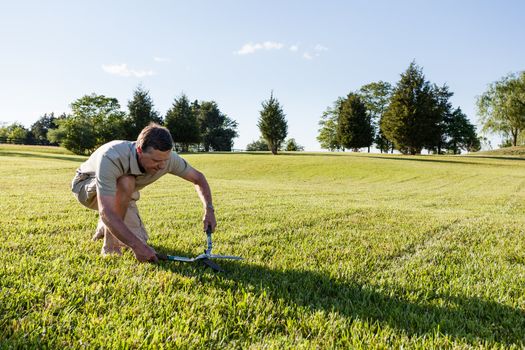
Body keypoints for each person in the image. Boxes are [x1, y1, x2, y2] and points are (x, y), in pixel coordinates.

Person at [71, 123, 216, 262]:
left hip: (121, 194)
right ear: (139, 150)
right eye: (155, 160)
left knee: (140, 240)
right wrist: (136, 246)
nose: (162, 166)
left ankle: (105, 227)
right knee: (126, 181)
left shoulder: (167, 158)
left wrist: (209, 209)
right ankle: (110, 246)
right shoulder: (112, 156)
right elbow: (107, 211)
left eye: (165, 160)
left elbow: (199, 178)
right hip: (86, 186)